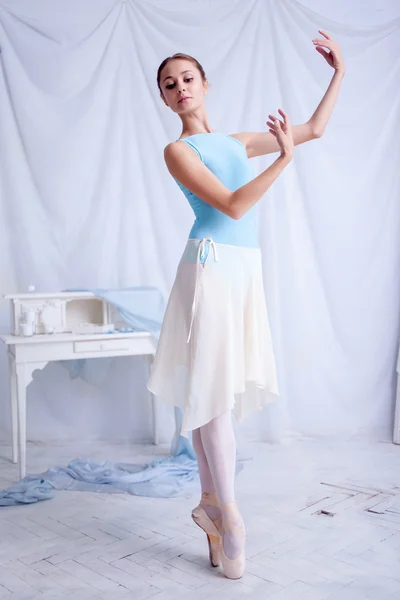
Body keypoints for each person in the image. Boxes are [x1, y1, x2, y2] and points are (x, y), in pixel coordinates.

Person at [147, 30, 345, 579]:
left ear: (205, 84)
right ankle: (229, 516)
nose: (180, 87)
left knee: (211, 390)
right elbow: (233, 206)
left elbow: (314, 129)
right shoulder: (178, 150)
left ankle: (211, 504)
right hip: (209, 267)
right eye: (170, 84)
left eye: (188, 78)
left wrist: (338, 73)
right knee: (209, 393)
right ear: (164, 99)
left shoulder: (234, 142)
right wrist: (280, 162)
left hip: (241, 272)